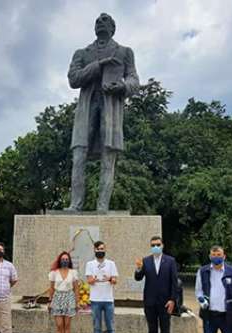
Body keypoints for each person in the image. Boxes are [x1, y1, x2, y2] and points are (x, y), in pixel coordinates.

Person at [65, 13, 139, 211]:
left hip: (111, 109)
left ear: (113, 28)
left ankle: (102, 207)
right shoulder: (82, 53)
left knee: (108, 157)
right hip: (87, 106)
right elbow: (73, 79)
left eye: (105, 21)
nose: (100, 23)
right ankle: (75, 205)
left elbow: (134, 80)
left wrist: (122, 87)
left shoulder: (125, 52)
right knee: (78, 155)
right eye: (97, 21)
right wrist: (98, 66)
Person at [134, 236, 178, 333]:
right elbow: (138, 278)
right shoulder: (146, 261)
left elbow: (174, 282)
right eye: (153, 245)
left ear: (162, 245)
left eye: (158, 244)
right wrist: (139, 268)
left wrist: (172, 300)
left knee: (165, 332)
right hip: (150, 302)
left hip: (165, 303)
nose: (156, 247)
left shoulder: (170, 261)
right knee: (152, 331)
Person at [85, 241, 120, 333]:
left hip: (108, 300)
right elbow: (89, 280)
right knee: (97, 327)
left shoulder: (111, 264)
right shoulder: (90, 264)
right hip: (95, 300)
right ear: (94, 250)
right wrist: (93, 279)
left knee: (110, 327)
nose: (100, 251)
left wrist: (110, 278)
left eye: (102, 249)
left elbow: (115, 280)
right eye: (98, 249)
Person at [48, 251, 80, 333]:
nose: (65, 261)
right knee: (59, 325)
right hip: (57, 298)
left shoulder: (73, 272)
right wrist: (49, 301)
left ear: (69, 261)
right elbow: (51, 288)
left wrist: (77, 302)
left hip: (69, 297)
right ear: (59, 260)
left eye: (67, 259)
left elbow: (76, 288)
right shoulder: (54, 273)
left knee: (67, 325)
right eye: (63, 259)